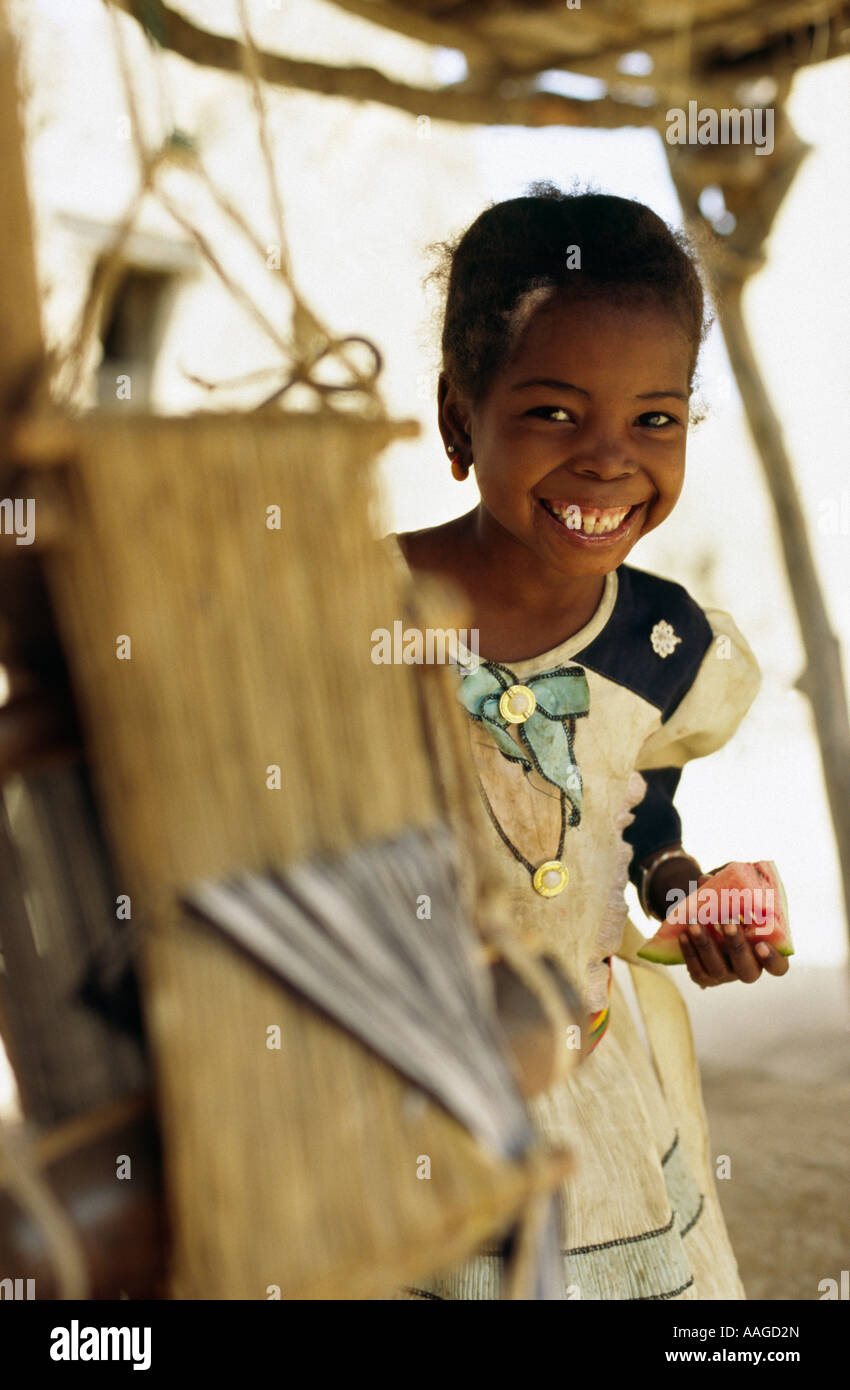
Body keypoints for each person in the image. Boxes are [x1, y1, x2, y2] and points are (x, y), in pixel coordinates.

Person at [386, 183, 790, 1300]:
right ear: (460, 416)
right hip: (395, 1085)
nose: (611, 459)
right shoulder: (355, 607)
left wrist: (679, 890)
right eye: (557, 412)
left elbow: (635, 803)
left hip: (586, 1069)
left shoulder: (665, 640)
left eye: (654, 418)